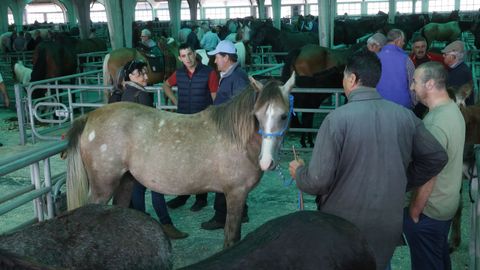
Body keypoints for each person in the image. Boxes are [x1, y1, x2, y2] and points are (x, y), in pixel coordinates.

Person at [288, 50, 448, 270]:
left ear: (352, 79)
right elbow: (437, 157)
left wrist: (299, 173)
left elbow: (318, 181)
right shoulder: (404, 116)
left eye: (344, 77)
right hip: (387, 224)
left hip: (343, 226)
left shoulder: (335, 120)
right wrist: (403, 179)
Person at [404, 61, 465, 270]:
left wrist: (414, 210)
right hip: (447, 204)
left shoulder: (435, 123)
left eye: (414, 82)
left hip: (430, 210)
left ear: (429, 84)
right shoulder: (452, 110)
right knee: (438, 260)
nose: (412, 87)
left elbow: (430, 172)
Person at [121, 59, 188, 239]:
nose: (145, 76)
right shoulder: (140, 95)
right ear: (130, 76)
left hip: (134, 149)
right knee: (156, 186)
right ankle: (166, 224)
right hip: (147, 149)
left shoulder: (126, 93)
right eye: (140, 73)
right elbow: (149, 126)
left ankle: (141, 222)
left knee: (139, 188)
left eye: (144, 72)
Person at [162, 43, 219, 212]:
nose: (187, 58)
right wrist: (175, 101)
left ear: (195, 54)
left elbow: (216, 99)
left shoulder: (209, 73)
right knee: (183, 159)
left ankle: (201, 197)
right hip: (183, 121)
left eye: (190, 54)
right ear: (180, 58)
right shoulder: (179, 73)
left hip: (202, 123)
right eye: (183, 56)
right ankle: (183, 194)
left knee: (201, 160)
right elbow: (166, 85)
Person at [201, 40, 250, 230]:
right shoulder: (231, 75)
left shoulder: (237, 79)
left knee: (224, 178)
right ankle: (242, 211)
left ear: (226, 58)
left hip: (230, 137)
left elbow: (241, 111)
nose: (214, 61)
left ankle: (221, 216)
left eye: (217, 57)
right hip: (228, 134)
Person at [376, 29, 416, 109]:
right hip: (402, 107)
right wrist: (414, 103)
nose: (404, 43)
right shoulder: (406, 59)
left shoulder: (375, 58)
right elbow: (413, 83)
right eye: (403, 41)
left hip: (379, 105)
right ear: (398, 41)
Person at [442, 40, 474, 105]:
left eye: (445, 54)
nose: (443, 56)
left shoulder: (460, 73)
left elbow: (453, 98)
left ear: (452, 57)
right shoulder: (459, 68)